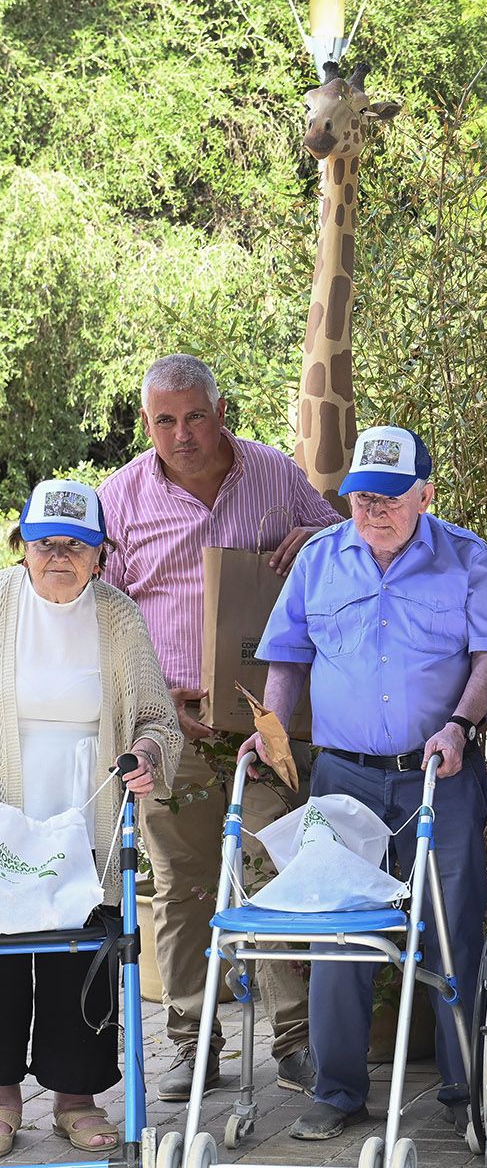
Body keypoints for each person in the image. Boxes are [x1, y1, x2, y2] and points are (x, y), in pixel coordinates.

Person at [243, 425, 487, 1139]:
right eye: (362, 497)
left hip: (439, 773)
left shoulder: (466, 556)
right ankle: (337, 1091)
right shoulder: (321, 559)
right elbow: (289, 653)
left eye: (391, 498)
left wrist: (458, 724)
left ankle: (464, 1088)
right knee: (339, 930)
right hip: (342, 776)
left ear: (426, 492)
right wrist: (272, 730)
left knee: (452, 925)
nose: (374, 511)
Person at [97, 354, 341, 1100]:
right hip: (166, 728)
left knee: (276, 868)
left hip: (260, 723)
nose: (182, 434)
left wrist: (315, 539)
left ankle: (296, 1040)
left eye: (195, 415)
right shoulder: (121, 498)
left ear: (221, 408)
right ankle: (191, 1042)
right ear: (148, 424)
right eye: (165, 420)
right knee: (182, 886)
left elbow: (346, 543)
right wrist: (147, 695)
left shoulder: (274, 475)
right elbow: (102, 616)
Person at [0, 480, 177, 1156]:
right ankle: (2, 1097)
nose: (60, 556)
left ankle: (75, 1098)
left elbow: (158, 718)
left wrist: (146, 752)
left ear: (100, 555)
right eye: (46, 543)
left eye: (77, 545)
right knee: (1, 959)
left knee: (84, 956)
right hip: (5, 817)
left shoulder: (119, 617)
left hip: (90, 823)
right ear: (24, 548)